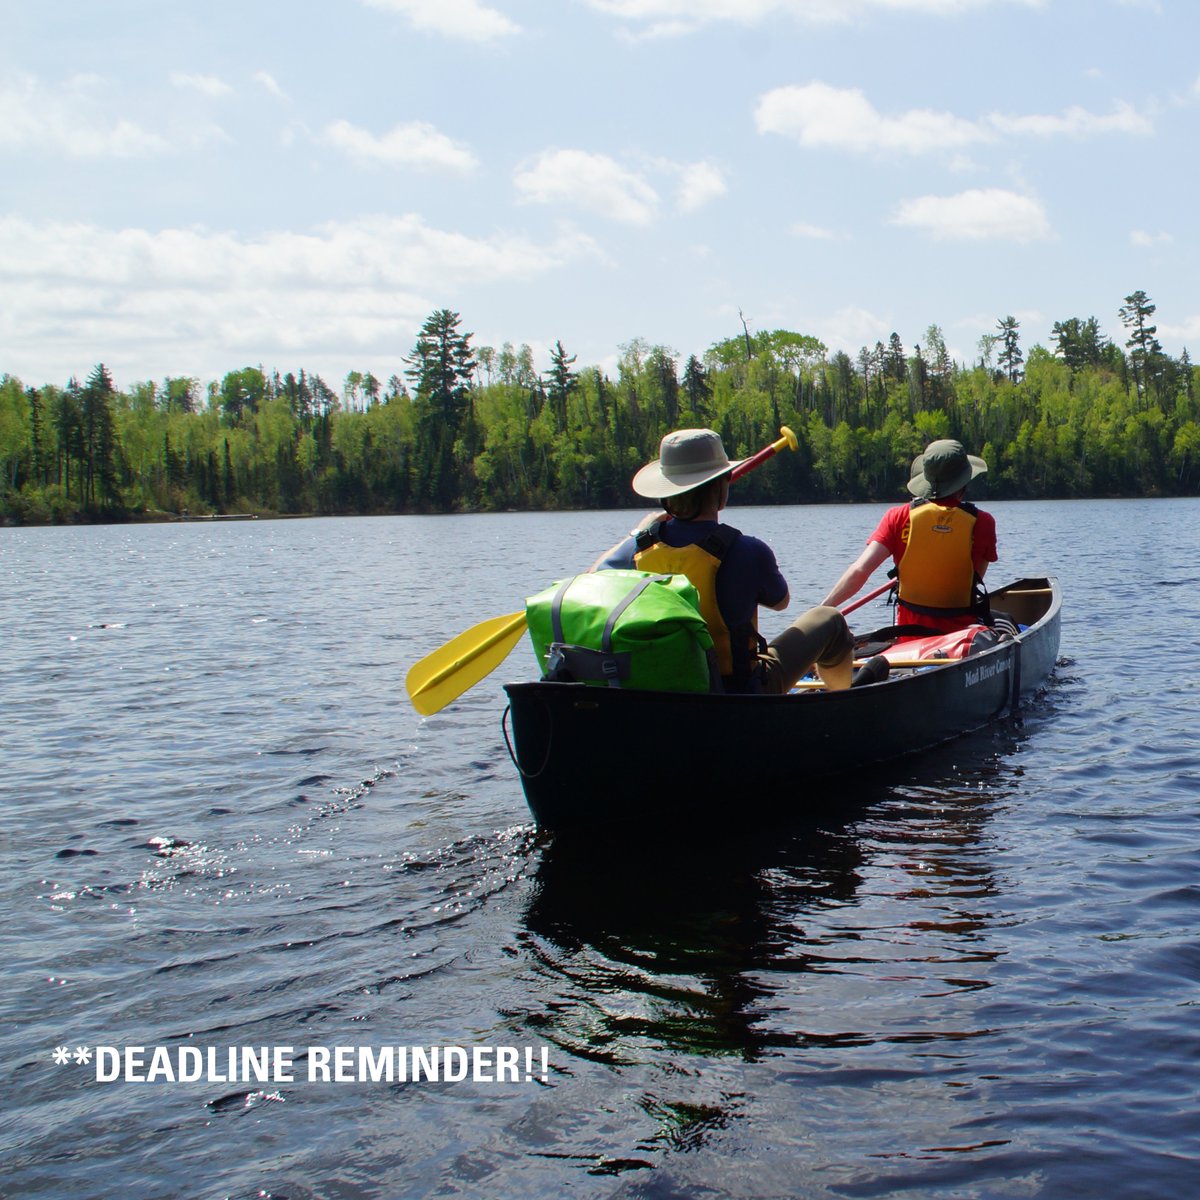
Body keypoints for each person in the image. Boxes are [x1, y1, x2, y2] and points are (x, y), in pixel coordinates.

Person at [592, 428, 855, 693]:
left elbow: (591, 581)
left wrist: (637, 534)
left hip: (662, 693)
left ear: (666, 491)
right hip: (736, 696)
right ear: (722, 486)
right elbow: (781, 601)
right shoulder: (748, 550)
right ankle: (841, 703)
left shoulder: (635, 550)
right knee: (829, 619)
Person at [822, 438, 997, 633]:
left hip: (908, 637)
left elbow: (860, 570)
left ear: (927, 481)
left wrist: (822, 609)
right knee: (1006, 624)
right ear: (964, 482)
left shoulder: (896, 518)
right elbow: (974, 579)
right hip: (960, 637)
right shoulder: (983, 522)